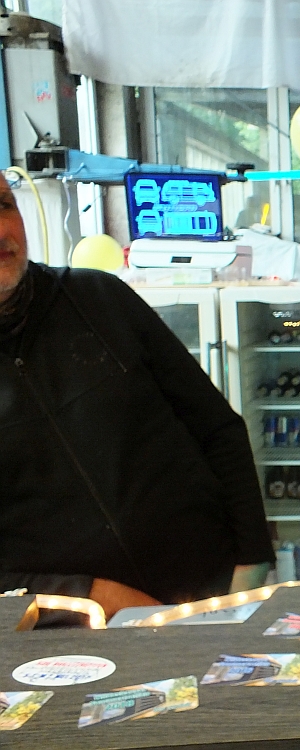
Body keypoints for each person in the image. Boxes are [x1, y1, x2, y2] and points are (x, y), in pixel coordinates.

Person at [0, 171, 274, 617]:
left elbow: (217, 428)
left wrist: (252, 560)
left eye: (4, 205)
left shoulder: (98, 297)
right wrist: (90, 594)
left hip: (211, 592)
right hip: (78, 634)